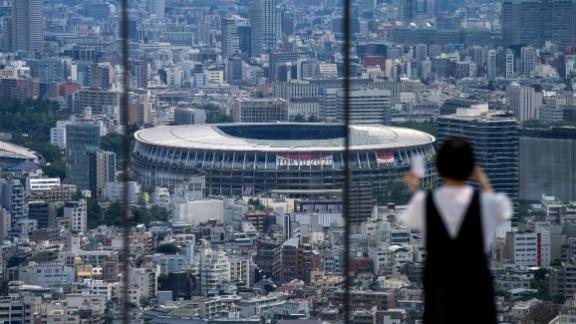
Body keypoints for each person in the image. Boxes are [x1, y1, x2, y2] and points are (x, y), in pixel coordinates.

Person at [401, 138, 512, 324]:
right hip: (476, 295)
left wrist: (415, 189)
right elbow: (504, 212)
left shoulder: (424, 203)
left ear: (438, 168)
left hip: (439, 296)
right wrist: (482, 180)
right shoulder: (487, 203)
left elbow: (412, 219)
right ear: (470, 168)